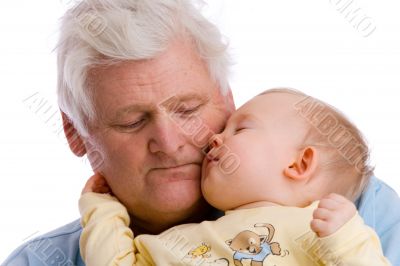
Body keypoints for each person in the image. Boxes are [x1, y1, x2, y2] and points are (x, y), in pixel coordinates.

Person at [2, 0, 399, 265]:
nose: (171, 143)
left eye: (188, 109)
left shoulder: (352, 212)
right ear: (75, 133)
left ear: (229, 101)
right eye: (132, 121)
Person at [78, 88, 390, 265]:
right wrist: (102, 210)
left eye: (239, 129)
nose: (214, 137)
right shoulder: (178, 240)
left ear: (299, 164)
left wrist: (347, 240)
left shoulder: (318, 229)